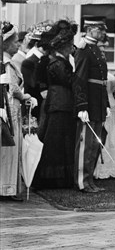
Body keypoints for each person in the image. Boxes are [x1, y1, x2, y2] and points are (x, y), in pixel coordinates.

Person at [34, 23, 77, 189]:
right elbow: (69, 81)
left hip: (62, 103)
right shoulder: (57, 63)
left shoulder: (60, 61)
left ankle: (60, 177)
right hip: (59, 103)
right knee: (55, 141)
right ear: (65, 47)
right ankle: (51, 178)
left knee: (61, 140)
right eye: (70, 46)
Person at [73, 16, 110, 193]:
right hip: (89, 102)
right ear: (89, 30)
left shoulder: (96, 49)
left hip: (99, 102)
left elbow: (102, 80)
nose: (103, 33)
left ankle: (90, 180)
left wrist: (106, 104)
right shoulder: (83, 50)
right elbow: (79, 79)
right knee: (85, 144)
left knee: (95, 143)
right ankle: (82, 181)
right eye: (100, 29)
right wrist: (81, 105)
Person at [1, 21, 37, 200]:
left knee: (11, 147)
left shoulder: (8, 62)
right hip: (9, 108)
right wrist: (27, 97)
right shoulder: (6, 63)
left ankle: (7, 186)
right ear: (6, 43)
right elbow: (13, 88)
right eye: (15, 42)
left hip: (11, 107)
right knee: (10, 147)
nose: (18, 45)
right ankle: (6, 188)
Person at [94, 72, 115, 179]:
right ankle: (101, 169)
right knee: (103, 134)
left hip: (112, 103)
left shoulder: (109, 74)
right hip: (102, 103)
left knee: (112, 136)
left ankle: (113, 168)